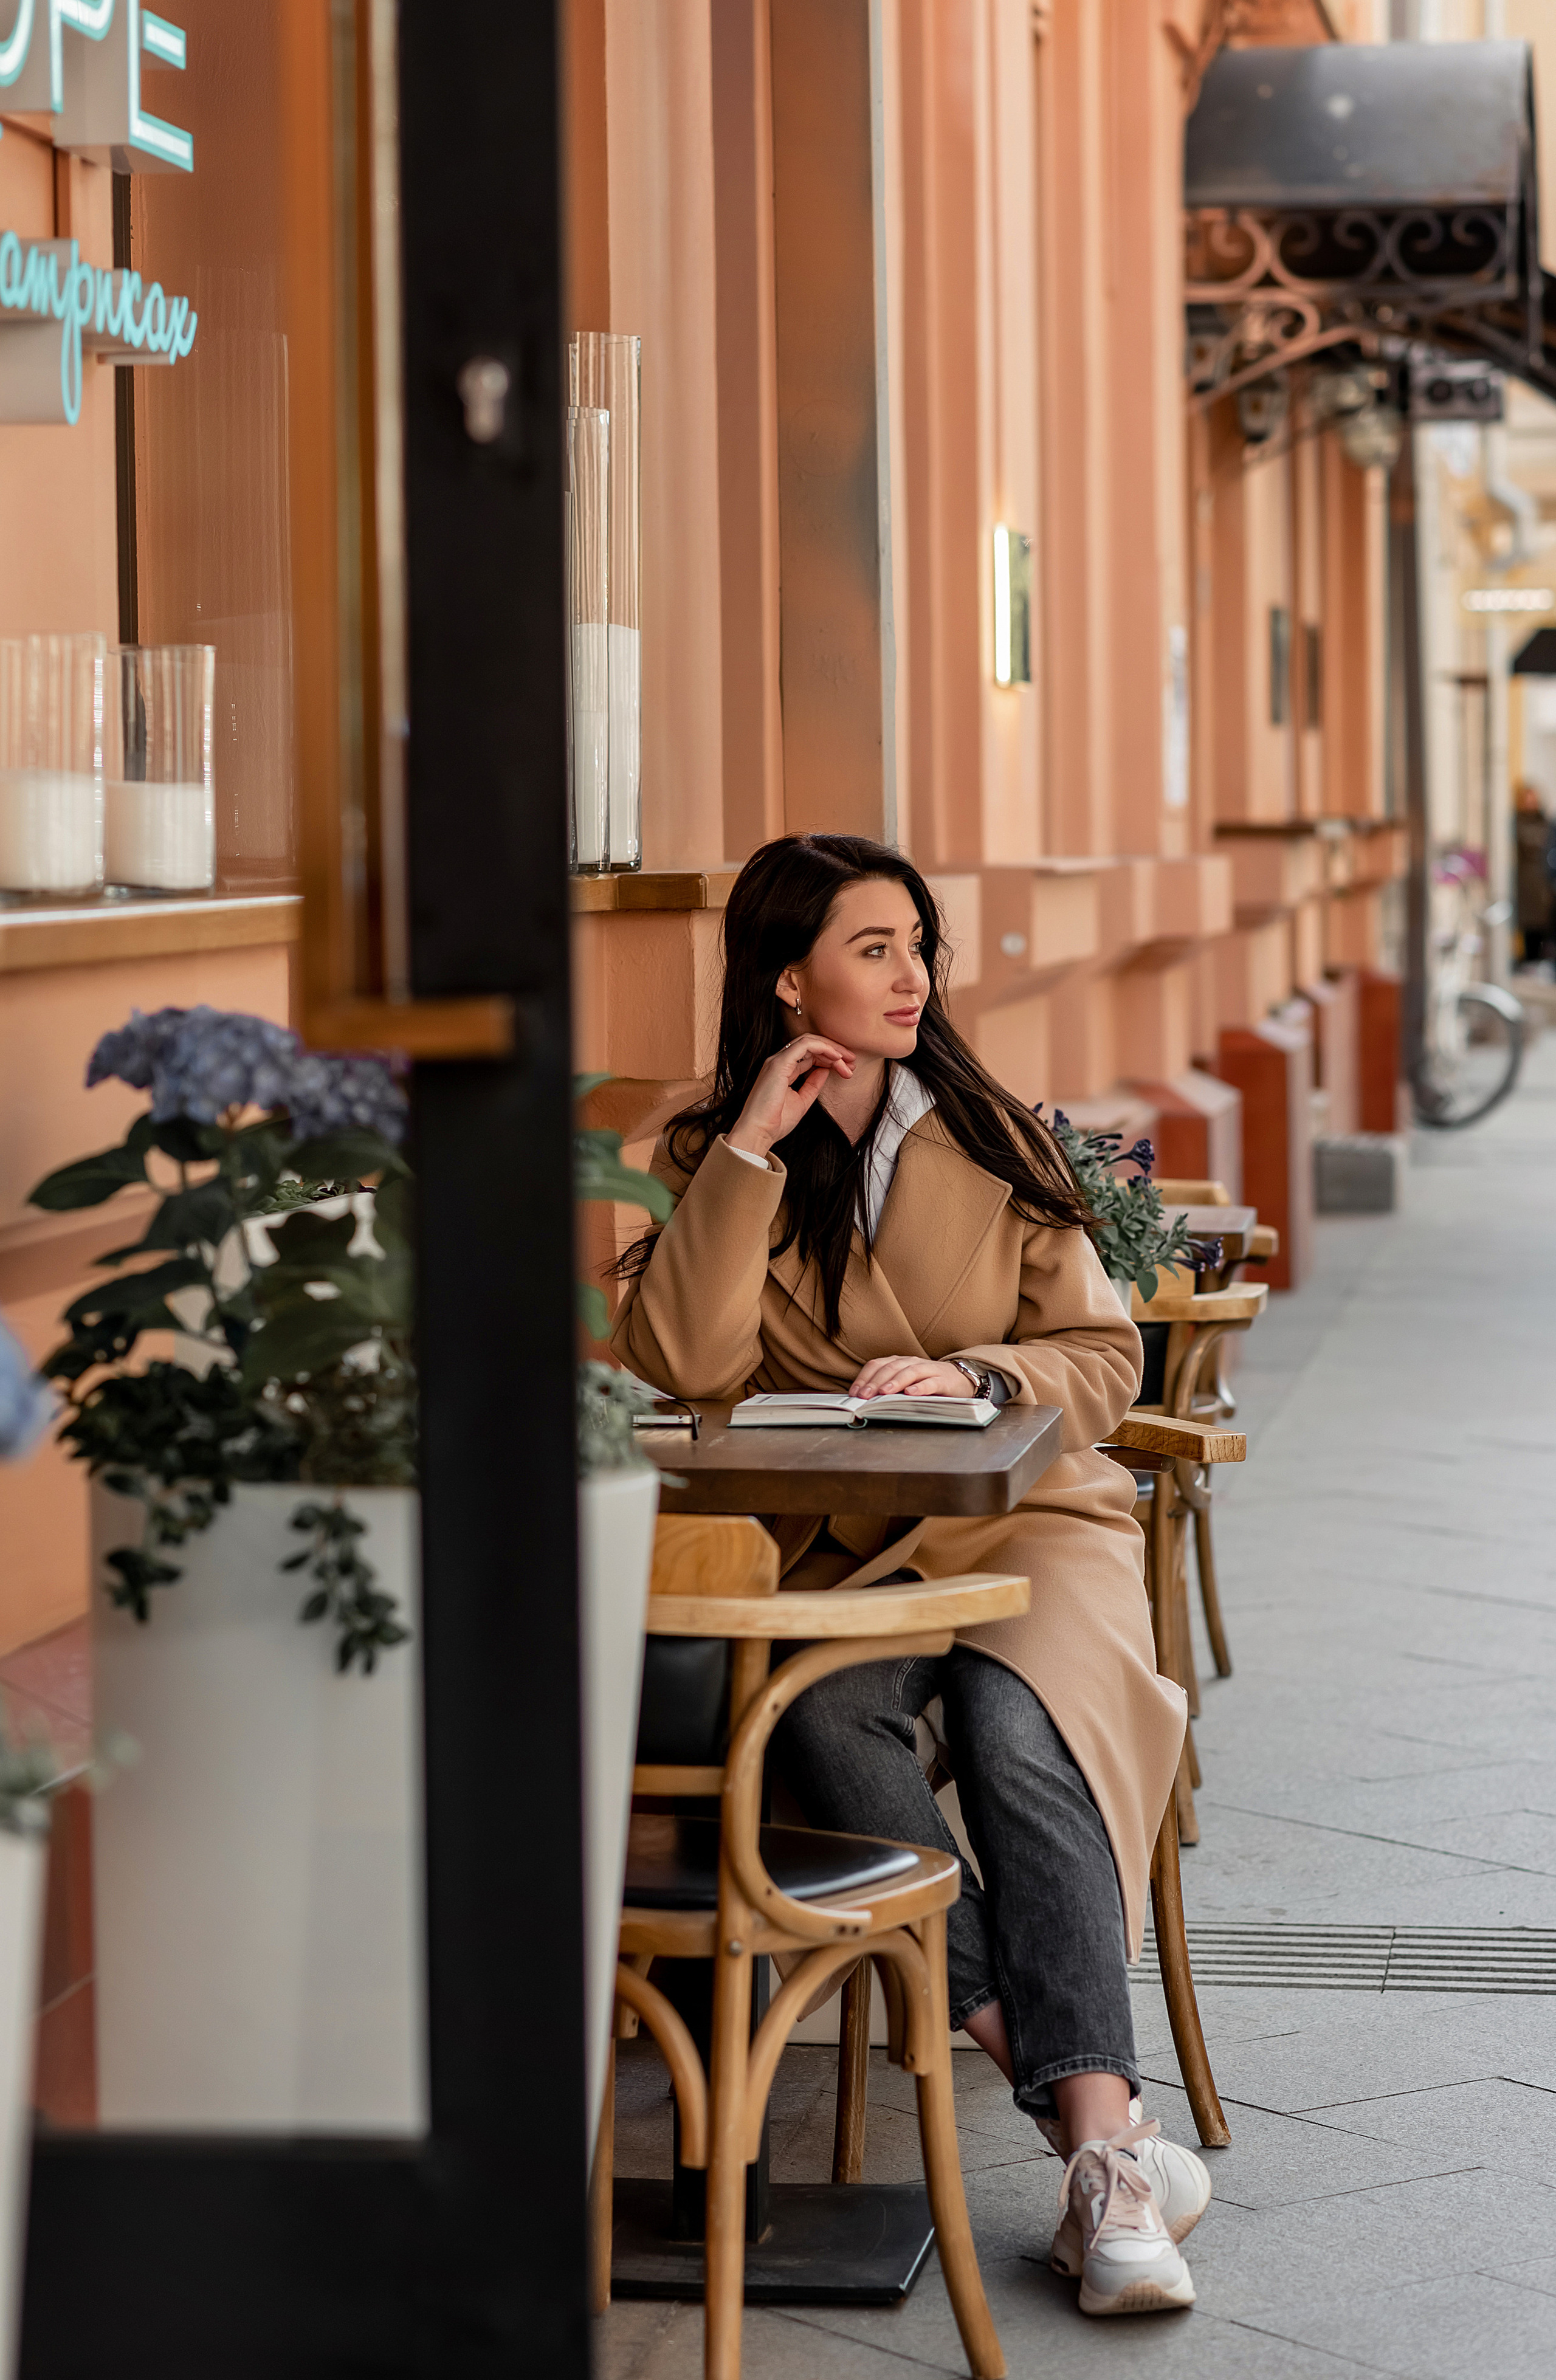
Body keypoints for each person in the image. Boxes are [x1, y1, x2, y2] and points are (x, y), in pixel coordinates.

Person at [611, 832, 1209, 2318]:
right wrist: (753, 1144)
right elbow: (681, 1367)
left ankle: (1101, 2160)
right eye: (871, 946)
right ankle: (1089, 2111)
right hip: (845, 1542)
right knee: (815, 1721)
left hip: (1028, 1523)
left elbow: (1099, 1353)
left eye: (914, 945)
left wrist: (969, 1372)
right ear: (786, 973)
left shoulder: (996, 1135)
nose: (909, 976)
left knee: (1024, 1734)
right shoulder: (707, 1151)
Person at [1513, 782, 1554, 968]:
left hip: (1543, 881)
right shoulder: (1515, 822)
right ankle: (1529, 961)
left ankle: (1541, 961)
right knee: (1528, 924)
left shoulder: (1547, 823)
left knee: (1544, 923)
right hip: (1525, 882)